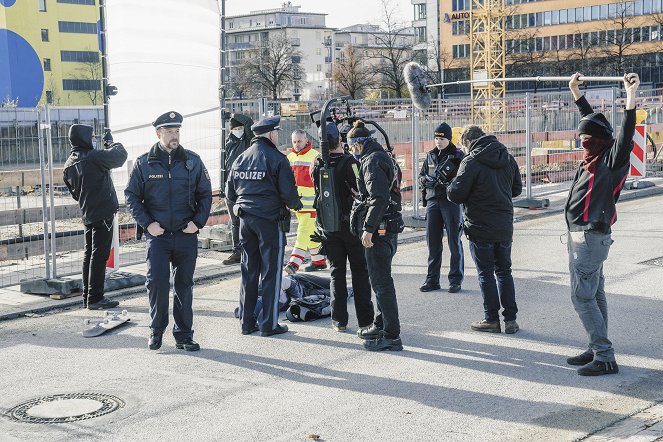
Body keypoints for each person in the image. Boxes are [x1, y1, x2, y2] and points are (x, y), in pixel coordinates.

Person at [564, 72, 639, 376]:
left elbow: (625, 133)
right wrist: (575, 92)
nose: (582, 143)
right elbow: (590, 121)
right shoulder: (596, 151)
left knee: (582, 295)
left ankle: (605, 356)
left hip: (591, 236)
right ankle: (598, 346)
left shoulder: (611, 159)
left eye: (586, 140)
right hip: (581, 234)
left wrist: (630, 97)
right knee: (594, 293)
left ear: (596, 141)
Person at [125, 111, 212, 351]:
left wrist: (198, 222)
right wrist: (147, 224)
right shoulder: (145, 163)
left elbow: (205, 194)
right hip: (158, 236)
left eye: (177, 131)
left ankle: (184, 335)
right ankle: (156, 331)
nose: (174, 136)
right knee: (157, 284)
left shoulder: (192, 161)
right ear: (158, 133)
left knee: (184, 285)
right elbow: (131, 196)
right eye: (169, 132)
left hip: (186, 234)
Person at [226, 115, 302, 337]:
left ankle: (246, 322)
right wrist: (298, 205)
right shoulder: (278, 159)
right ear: (271, 134)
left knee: (249, 272)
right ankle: (269, 324)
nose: (278, 136)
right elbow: (288, 195)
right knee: (271, 272)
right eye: (277, 133)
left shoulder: (240, 158)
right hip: (269, 221)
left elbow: (230, 194)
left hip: (245, 221)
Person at [447, 125, 522, 334]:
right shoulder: (507, 156)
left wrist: (450, 183)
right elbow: (517, 189)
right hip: (504, 225)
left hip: (480, 226)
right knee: (504, 272)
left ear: (469, 142)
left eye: (464, 146)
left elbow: (456, 195)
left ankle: (491, 319)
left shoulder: (470, 161)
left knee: (486, 273)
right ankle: (511, 320)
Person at [311, 122, 374, 333]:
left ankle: (339, 320)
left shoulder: (316, 164)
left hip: (328, 226)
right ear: (340, 140)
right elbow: (361, 189)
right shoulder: (350, 163)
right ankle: (366, 321)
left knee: (336, 273)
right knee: (360, 272)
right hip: (351, 228)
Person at [348, 121, 404, 351]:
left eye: (352, 147)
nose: (351, 151)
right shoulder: (382, 155)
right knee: (381, 280)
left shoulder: (371, 161)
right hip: (388, 225)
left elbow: (378, 198)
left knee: (381, 283)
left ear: (359, 144)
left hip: (380, 229)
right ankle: (381, 324)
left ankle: (391, 335)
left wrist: (368, 229)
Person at [63, 125, 127, 310]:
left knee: (90, 255)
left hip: (88, 212)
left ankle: (88, 296)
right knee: (99, 256)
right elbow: (120, 155)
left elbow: (74, 193)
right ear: (83, 138)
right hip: (103, 212)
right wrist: (110, 142)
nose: (94, 140)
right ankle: (95, 298)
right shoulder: (94, 157)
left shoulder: (68, 164)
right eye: (92, 137)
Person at [419, 122, 465, 293]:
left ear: (448, 138)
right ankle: (432, 280)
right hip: (432, 201)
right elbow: (421, 175)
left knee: (454, 241)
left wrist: (448, 184)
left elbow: (463, 179)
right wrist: (425, 181)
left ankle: (455, 280)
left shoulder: (457, 156)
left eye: (442, 138)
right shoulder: (430, 155)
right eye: (436, 138)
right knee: (433, 242)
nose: (438, 141)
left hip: (450, 202)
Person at [284, 129, 327, 274]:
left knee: (302, 234)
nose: (296, 144)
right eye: (294, 142)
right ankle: (319, 261)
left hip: (311, 206)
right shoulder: (289, 157)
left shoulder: (315, 156)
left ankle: (293, 264)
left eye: (299, 141)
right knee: (310, 234)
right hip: (297, 206)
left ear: (306, 139)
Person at [220, 113, 254, 265]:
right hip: (230, 187)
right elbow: (224, 167)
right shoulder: (227, 143)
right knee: (235, 222)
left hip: (246, 187)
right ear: (231, 130)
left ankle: (250, 251)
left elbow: (248, 121)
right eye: (236, 128)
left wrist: (232, 114)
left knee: (247, 220)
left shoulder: (248, 140)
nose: (239, 130)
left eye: (240, 128)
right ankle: (237, 252)